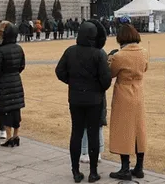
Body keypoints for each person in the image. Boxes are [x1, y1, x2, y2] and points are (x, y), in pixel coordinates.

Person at [56, 19, 111, 183]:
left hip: (76, 98)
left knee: (76, 133)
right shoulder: (98, 54)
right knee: (93, 134)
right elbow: (106, 80)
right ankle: (93, 172)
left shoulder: (70, 51)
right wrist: (97, 87)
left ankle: (75, 171)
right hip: (94, 99)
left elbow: (60, 71)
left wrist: (72, 82)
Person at [108, 24, 148, 180]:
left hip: (124, 92)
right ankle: (139, 166)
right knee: (139, 130)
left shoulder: (119, 56)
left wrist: (109, 59)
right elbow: (145, 68)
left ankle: (125, 168)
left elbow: (111, 73)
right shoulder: (144, 52)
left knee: (124, 129)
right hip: (138, 91)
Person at [0, 23, 26, 147]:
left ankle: (9, 136)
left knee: (5, 110)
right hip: (16, 79)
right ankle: (16, 135)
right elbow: (22, 65)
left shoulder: (0, 51)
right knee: (16, 109)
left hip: (4, 82)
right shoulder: (19, 48)